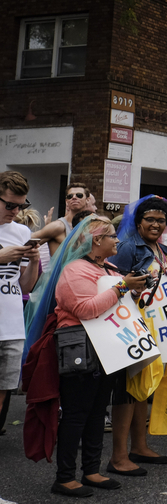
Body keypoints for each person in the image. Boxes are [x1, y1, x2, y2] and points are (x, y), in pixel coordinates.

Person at [49, 216, 147, 496]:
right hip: (82, 347)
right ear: (97, 241)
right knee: (77, 414)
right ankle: (65, 477)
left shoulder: (110, 268)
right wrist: (122, 287)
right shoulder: (74, 271)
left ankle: (91, 470)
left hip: (107, 348)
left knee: (96, 412)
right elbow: (85, 309)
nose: (118, 240)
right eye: (113, 236)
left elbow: (118, 305)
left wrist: (134, 290)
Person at [107, 195, 167, 475]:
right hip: (132, 329)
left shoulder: (163, 250)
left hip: (157, 328)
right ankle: (118, 455)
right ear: (138, 222)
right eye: (150, 219)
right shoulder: (126, 248)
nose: (156, 225)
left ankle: (139, 446)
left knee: (143, 390)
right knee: (127, 390)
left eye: (161, 220)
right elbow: (113, 285)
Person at [0, 171, 39, 440]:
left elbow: (24, 287)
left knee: (4, 389)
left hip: (12, 323)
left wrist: (34, 261)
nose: (15, 211)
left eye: (21, 205)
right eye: (9, 205)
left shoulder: (22, 231)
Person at [30, 182, 93, 260]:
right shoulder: (59, 226)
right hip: (61, 271)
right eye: (70, 196)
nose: (74, 197)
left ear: (87, 200)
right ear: (67, 201)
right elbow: (26, 241)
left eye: (79, 195)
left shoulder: (92, 225)